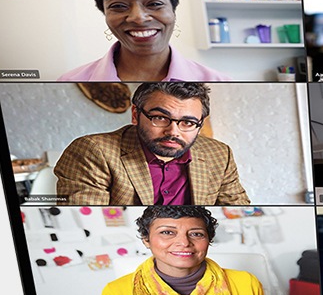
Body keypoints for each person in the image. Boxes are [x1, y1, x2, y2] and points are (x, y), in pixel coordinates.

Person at [54, 81, 249, 206]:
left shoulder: (220, 154)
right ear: (135, 115)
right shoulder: (93, 151)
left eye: (188, 123)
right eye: (160, 118)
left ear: (199, 124)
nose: (173, 132)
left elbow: (238, 212)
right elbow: (90, 221)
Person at [60, 0, 231, 82]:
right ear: (105, 14)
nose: (138, 18)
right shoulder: (70, 80)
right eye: (118, 6)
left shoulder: (219, 82)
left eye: (154, 3)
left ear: (173, 10)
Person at [98, 206, 266, 295]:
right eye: (167, 232)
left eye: (196, 234)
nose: (184, 243)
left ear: (209, 240)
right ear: (146, 240)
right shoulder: (116, 292)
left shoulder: (246, 283)